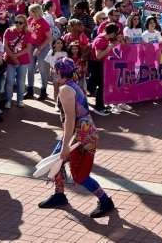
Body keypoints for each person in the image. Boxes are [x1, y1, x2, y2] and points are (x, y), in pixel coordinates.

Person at [37, 58, 115, 218]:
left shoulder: (65, 89)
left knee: (80, 175)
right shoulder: (73, 85)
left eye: (55, 69)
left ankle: (105, 201)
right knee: (56, 163)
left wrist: (65, 145)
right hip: (81, 133)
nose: (52, 72)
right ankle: (59, 195)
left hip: (82, 136)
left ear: (60, 71)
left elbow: (70, 118)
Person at [4, 15, 32, 108]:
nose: (18, 24)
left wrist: (16, 55)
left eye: (20, 23)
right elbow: (5, 45)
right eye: (16, 22)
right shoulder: (8, 31)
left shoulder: (27, 33)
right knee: (9, 81)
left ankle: (20, 100)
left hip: (23, 61)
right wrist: (13, 57)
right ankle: (8, 100)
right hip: (10, 61)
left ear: (24, 24)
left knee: (21, 81)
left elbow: (28, 48)